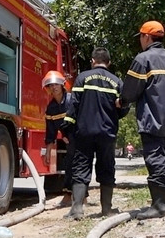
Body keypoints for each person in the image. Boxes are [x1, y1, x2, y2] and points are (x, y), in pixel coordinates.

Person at [117, 20, 165, 220]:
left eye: (140, 37)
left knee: (155, 159)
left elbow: (130, 90)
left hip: (152, 118)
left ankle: (161, 205)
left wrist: (121, 101)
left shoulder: (143, 59)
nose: (140, 40)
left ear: (146, 36)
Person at [62, 47, 128, 220]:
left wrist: (67, 129)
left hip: (84, 132)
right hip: (107, 133)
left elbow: (73, 105)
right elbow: (124, 108)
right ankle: (106, 209)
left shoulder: (82, 78)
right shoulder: (116, 82)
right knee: (107, 167)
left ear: (92, 61)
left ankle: (77, 210)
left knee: (81, 167)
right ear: (109, 63)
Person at [41, 70, 79, 207]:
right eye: (50, 85)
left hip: (78, 136)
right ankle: (69, 196)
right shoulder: (51, 108)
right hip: (68, 139)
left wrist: (70, 136)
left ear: (62, 85)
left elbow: (78, 119)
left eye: (56, 84)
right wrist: (48, 150)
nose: (54, 87)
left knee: (79, 166)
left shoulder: (71, 100)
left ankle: (81, 197)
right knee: (69, 165)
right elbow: (50, 131)